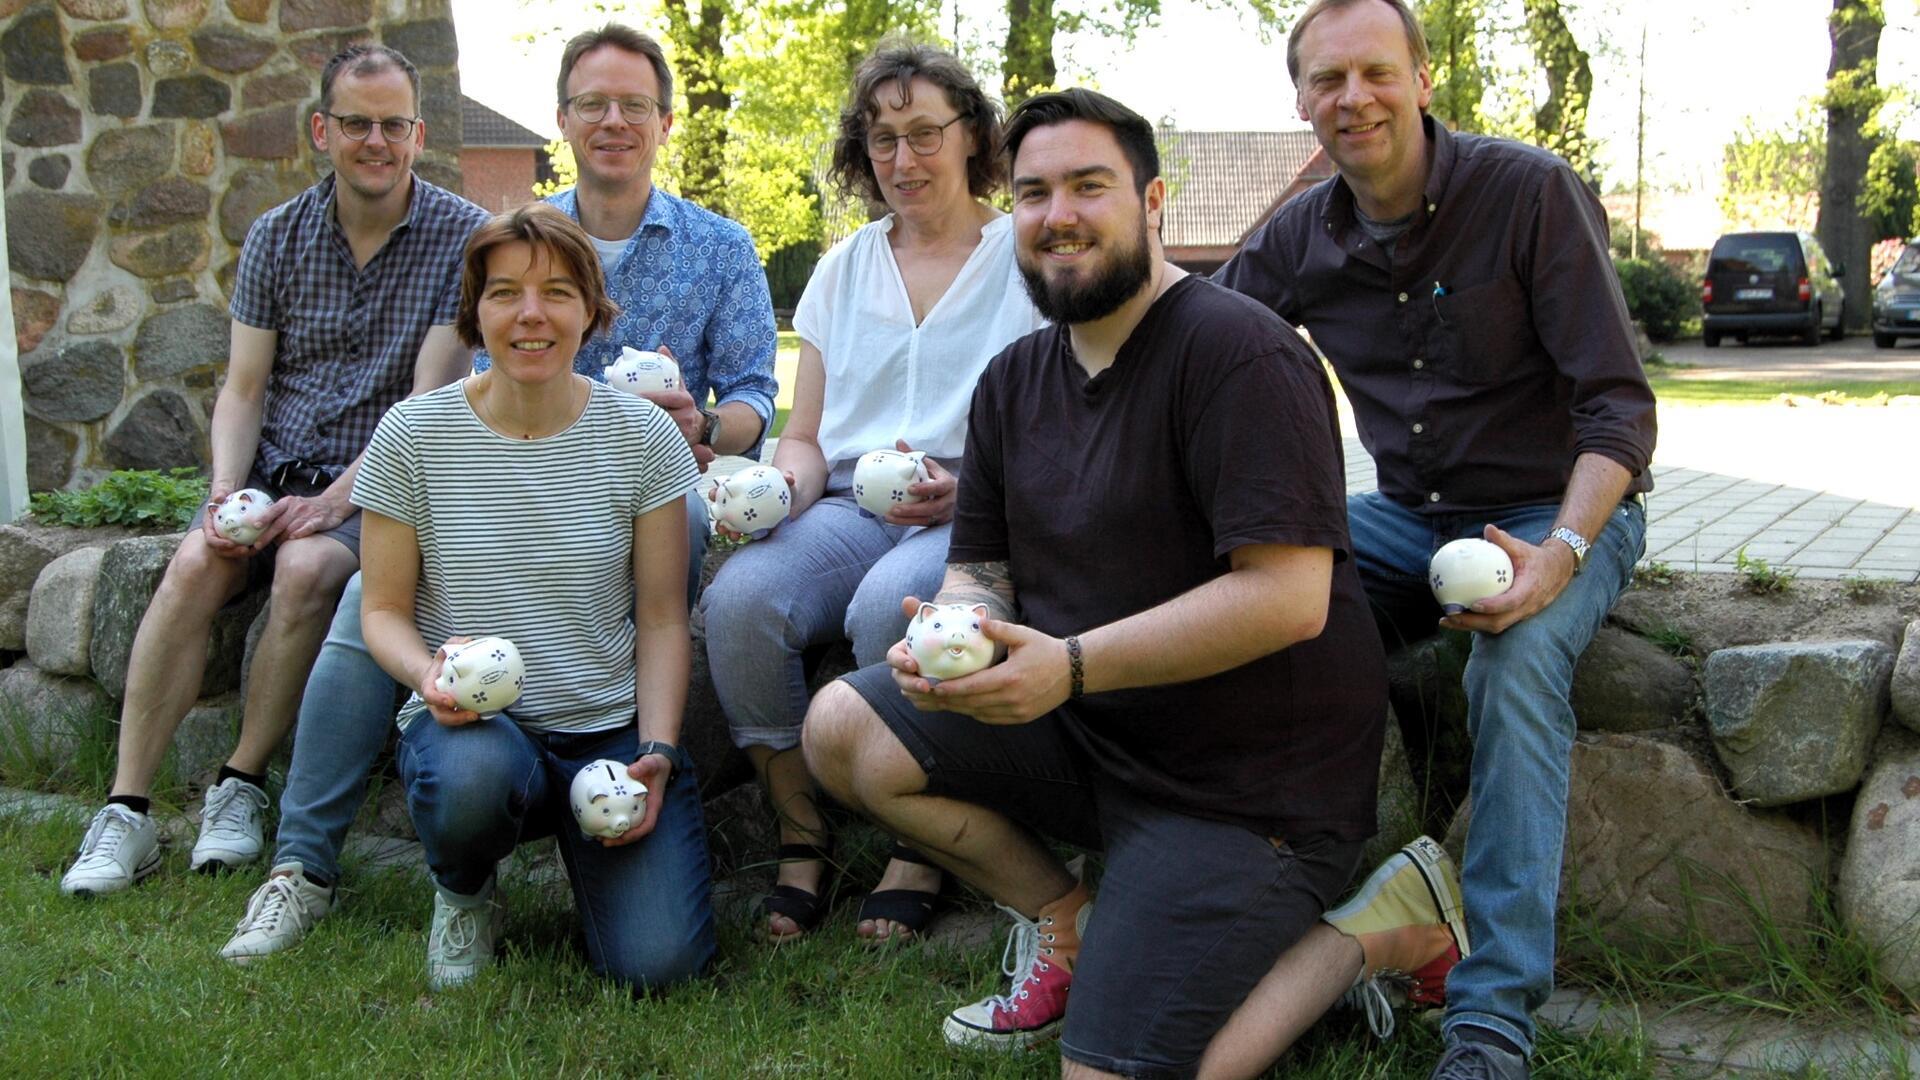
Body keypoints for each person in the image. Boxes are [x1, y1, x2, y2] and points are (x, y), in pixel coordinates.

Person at [801, 88, 1468, 1079]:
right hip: (1100, 740)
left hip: (1250, 791)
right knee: (844, 730)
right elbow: (981, 568)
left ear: (1152, 205)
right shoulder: (1014, 382)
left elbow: (1288, 597)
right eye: (1033, 193)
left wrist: (1066, 668)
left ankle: (1383, 925)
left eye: (1088, 186)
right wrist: (954, 631)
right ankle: (1072, 924)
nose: (1058, 214)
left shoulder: (1243, 356)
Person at [217, 22, 776, 962]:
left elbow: (756, 390)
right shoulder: (507, 237)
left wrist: (705, 428)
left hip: (658, 472)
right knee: (372, 596)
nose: (612, 121)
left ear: (664, 123)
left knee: (660, 963)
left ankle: (622, 760)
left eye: (633, 105)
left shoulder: (717, 245)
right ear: (561, 120)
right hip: (497, 478)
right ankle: (305, 864)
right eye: (592, 104)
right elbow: (453, 383)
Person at [1213, 2, 1658, 1077]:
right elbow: (1196, 359)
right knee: (1253, 610)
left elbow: (1618, 410)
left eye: (1374, 72)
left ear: (1421, 77)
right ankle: (1267, 912)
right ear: (1303, 101)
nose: (1352, 97)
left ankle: (1491, 1009)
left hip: (1555, 508)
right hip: (1406, 518)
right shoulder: (1299, 231)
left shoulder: (1528, 192)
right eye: (1327, 81)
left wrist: (1559, 554)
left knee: (1512, 665)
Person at [60, 44, 489, 898]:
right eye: (357, 123)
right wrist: (225, 491)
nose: (376, 140)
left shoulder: (462, 236)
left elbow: (425, 401)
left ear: (418, 133)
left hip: (386, 477)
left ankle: (239, 785)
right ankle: (127, 809)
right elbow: (243, 388)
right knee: (193, 562)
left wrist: (332, 503)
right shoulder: (276, 234)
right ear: (321, 131)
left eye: (393, 125)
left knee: (306, 569)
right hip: (272, 467)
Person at [699, 40, 1044, 943]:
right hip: (851, 503)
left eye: (925, 133)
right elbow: (807, 438)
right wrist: (776, 487)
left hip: (975, 510)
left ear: (972, 136)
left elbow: (1059, 430)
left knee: (881, 617)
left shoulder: (1026, 256)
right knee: (740, 599)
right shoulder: (845, 266)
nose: (903, 158)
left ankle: (918, 839)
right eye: (882, 138)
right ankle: (801, 833)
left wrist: (969, 484)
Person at [355, 202, 713, 991]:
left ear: (590, 309)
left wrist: (655, 750)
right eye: (504, 292)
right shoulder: (413, 435)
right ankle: (465, 890)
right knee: (473, 780)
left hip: (605, 730)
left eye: (556, 291)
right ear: (474, 311)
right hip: (475, 727)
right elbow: (378, 610)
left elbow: (660, 617)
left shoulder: (642, 438)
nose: (530, 314)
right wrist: (426, 675)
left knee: (660, 969)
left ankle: (597, 853)